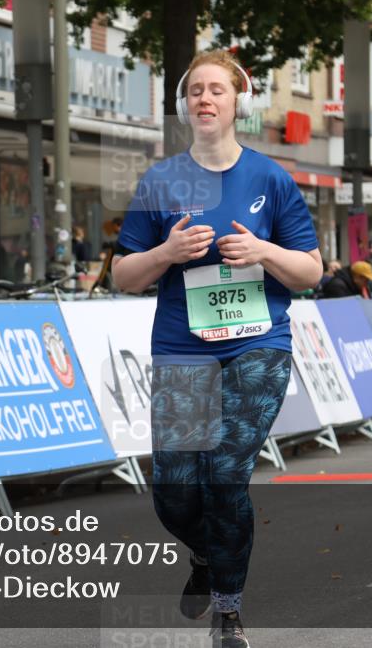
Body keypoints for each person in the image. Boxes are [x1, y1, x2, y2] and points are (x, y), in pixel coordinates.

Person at [112, 49, 322, 648]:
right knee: (176, 492)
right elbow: (123, 276)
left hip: (259, 345)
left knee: (225, 473)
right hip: (183, 350)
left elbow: (310, 271)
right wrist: (166, 256)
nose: (205, 99)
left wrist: (264, 253)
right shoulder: (160, 181)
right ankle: (206, 557)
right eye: (196, 91)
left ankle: (227, 612)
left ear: (238, 104)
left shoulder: (271, 179)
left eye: (218, 91)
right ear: (185, 105)